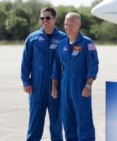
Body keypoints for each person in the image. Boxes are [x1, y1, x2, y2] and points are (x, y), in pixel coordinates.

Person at [21, 7, 67, 141]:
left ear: (55, 19)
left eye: (47, 18)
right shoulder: (32, 38)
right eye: (42, 18)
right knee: (35, 125)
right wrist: (26, 81)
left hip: (56, 88)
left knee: (57, 126)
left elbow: (68, 64)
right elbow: (25, 62)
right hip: (37, 88)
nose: (44, 21)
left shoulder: (64, 39)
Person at [51, 12, 99, 141]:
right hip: (65, 88)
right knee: (68, 122)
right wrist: (54, 87)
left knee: (84, 120)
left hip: (80, 88)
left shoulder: (87, 44)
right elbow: (56, 68)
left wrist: (88, 86)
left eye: (72, 24)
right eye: (66, 24)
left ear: (79, 24)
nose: (68, 27)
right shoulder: (61, 45)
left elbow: (93, 66)